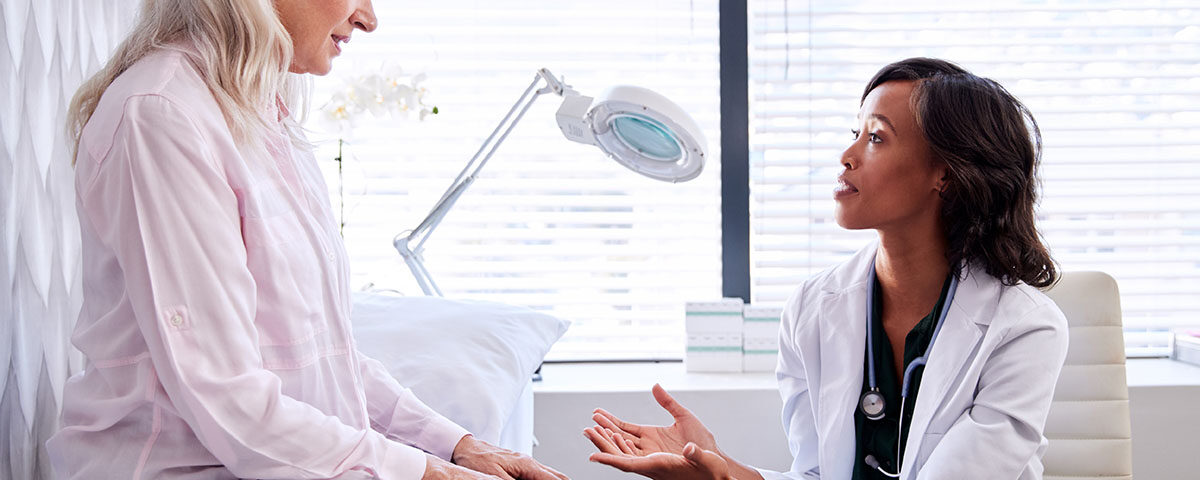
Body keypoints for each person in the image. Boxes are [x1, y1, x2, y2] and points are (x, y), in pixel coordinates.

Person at [45, 1, 568, 479]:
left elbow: (324, 357)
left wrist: (458, 446)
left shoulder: (262, 118)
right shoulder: (163, 116)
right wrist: (430, 472)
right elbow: (229, 396)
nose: (368, 18)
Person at [583, 57, 1069, 480]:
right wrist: (720, 468)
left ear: (944, 173)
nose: (847, 156)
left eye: (876, 137)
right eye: (854, 134)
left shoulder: (1024, 329)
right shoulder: (812, 310)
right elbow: (815, 474)